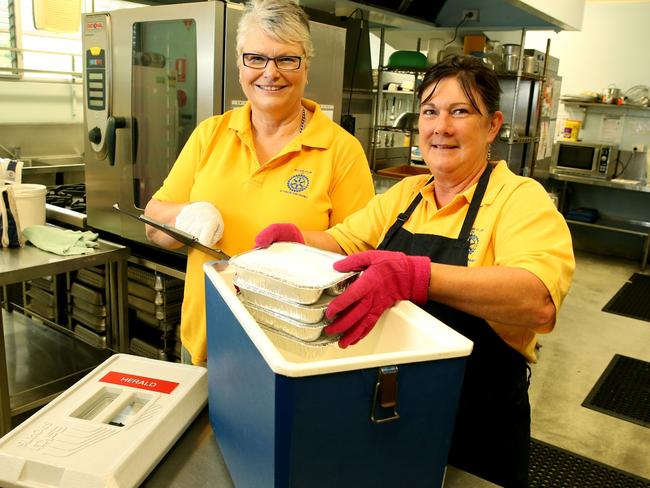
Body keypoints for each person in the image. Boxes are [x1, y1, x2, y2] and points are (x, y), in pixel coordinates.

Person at [256, 55, 575, 487]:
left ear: (493, 125)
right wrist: (296, 237)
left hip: (478, 423)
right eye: (429, 111)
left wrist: (416, 276)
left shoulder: (519, 198)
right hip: (393, 411)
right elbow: (345, 242)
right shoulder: (407, 194)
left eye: (459, 112)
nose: (440, 127)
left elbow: (537, 300)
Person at [144, 0, 374, 366]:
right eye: (256, 58)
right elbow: (154, 222)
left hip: (292, 349)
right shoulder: (211, 134)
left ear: (306, 67)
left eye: (286, 59)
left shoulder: (340, 150)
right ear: (240, 66)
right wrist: (186, 216)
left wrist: (295, 249)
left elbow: (361, 253)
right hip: (206, 338)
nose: (270, 73)